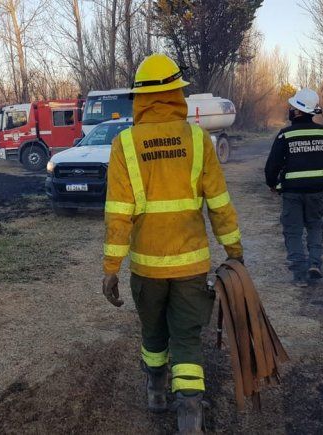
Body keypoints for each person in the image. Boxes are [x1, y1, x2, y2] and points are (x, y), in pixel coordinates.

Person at [102, 53, 243, 434]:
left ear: (140, 98)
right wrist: (235, 252)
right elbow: (219, 204)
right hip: (191, 266)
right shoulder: (198, 140)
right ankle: (190, 413)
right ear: (177, 94)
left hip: (146, 268)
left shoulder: (125, 144)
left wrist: (111, 270)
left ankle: (155, 391)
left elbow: (118, 215)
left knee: (153, 333)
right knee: (186, 337)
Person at [264, 88, 323, 287]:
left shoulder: (285, 135)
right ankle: (314, 263)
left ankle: (299, 273)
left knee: (293, 230)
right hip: (317, 192)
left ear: (298, 111)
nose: (290, 110)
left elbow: (272, 165)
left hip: (292, 193)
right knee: (315, 226)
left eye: (292, 107)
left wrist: (272, 184)